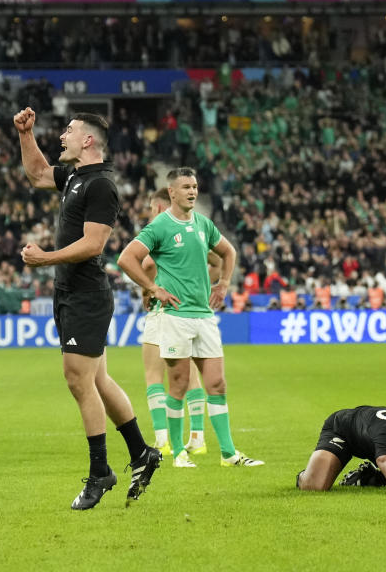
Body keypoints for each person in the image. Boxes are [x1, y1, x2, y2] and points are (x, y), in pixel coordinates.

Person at [14, 106, 161, 510]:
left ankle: (101, 472)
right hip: (71, 293)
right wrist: (26, 134)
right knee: (98, 381)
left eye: (69, 130)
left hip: (86, 294)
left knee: (78, 380)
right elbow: (39, 174)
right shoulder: (76, 177)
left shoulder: (101, 185)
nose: (62, 135)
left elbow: (95, 244)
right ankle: (142, 453)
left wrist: (46, 258)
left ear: (88, 140)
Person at [118, 167, 264, 469]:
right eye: (186, 186)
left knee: (217, 383)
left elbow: (228, 252)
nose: (192, 191)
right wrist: (152, 288)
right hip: (175, 317)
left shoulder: (203, 224)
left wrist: (223, 284)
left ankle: (228, 454)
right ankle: (179, 454)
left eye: (195, 186)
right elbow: (126, 258)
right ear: (171, 192)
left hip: (204, 315)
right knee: (180, 384)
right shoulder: (159, 226)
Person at [139, 187, 214, 457]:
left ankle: (163, 440)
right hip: (190, 311)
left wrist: (146, 290)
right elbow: (215, 261)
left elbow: (146, 264)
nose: (150, 212)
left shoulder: (160, 228)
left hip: (164, 310)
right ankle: (197, 437)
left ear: (159, 207)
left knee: (154, 374)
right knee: (190, 375)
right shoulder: (196, 231)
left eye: (150, 207)